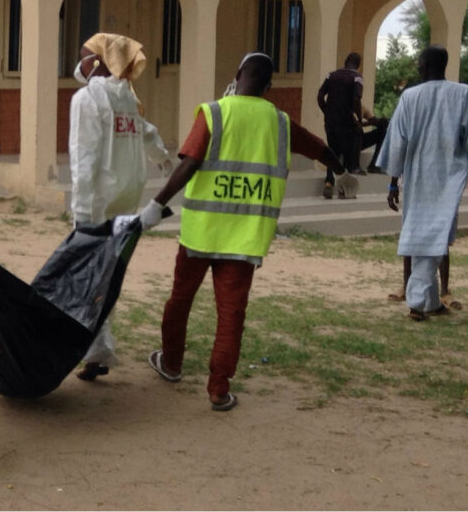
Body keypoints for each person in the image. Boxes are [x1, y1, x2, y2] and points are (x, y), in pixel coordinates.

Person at [140, 52, 345, 411]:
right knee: (231, 314)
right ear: (268, 86)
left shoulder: (215, 113)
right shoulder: (280, 123)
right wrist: (339, 168)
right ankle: (219, 389)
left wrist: (156, 204)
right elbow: (318, 147)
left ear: (238, 75)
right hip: (244, 238)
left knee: (180, 301)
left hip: (201, 233)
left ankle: (171, 364)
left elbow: (189, 165)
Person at [68, 33, 170, 382]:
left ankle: (93, 349)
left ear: (97, 62)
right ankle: (99, 350)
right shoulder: (126, 98)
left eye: (84, 57)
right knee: (107, 277)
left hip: (97, 205)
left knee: (88, 279)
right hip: (128, 202)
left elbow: (84, 159)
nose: (78, 64)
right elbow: (148, 133)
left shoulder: (87, 99)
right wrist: (164, 159)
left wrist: (81, 214)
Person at [376, 45, 468, 321]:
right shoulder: (462, 94)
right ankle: (418, 303)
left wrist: (394, 182)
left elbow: (397, 144)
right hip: (447, 178)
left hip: (417, 177)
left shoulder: (410, 97)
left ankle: (428, 301)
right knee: (433, 236)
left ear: (424, 66)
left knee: (428, 235)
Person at [318, 52, 366, 198]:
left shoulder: (331, 75)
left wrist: (327, 111)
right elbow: (357, 100)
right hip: (347, 122)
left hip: (331, 122)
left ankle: (328, 182)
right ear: (358, 65)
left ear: (345, 61)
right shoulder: (357, 78)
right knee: (347, 156)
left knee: (332, 153)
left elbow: (320, 95)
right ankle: (343, 191)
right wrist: (358, 118)